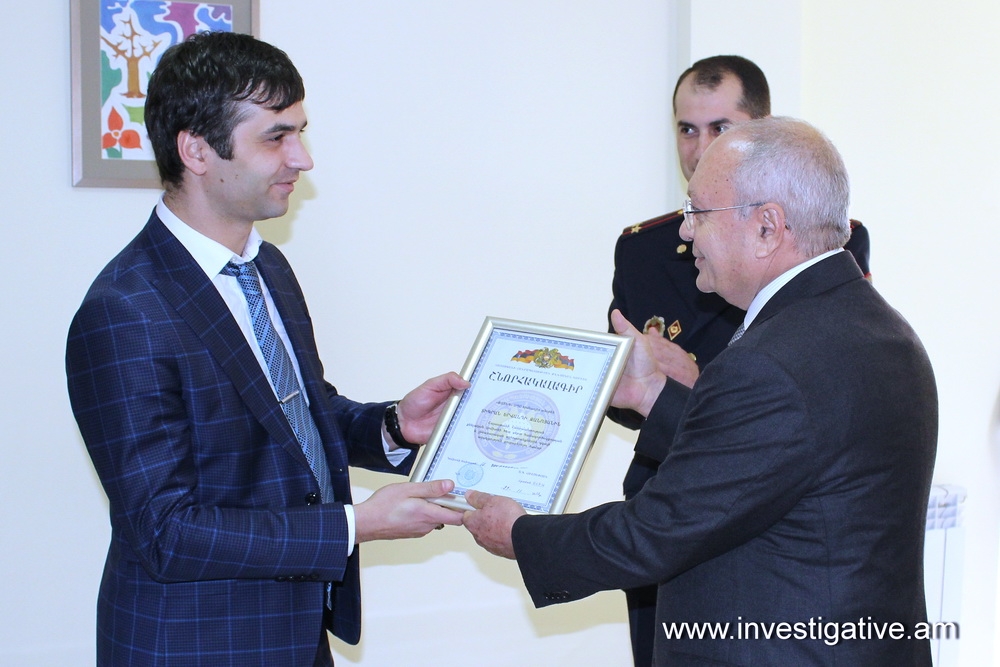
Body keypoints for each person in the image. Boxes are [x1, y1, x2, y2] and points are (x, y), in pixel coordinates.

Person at [464, 117, 937, 665]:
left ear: (767, 227)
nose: (685, 233)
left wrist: (522, 535)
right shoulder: (881, 329)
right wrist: (653, 395)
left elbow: (659, 530)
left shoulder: (770, 360)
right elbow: (764, 466)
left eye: (698, 212)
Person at [66, 32, 467, 667]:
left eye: (300, 133)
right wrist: (354, 524)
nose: (302, 159)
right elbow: (165, 531)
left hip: (295, 634)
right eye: (276, 137)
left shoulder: (267, 268)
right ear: (197, 150)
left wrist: (392, 426)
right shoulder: (125, 312)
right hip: (194, 646)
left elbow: (295, 416)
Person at [607, 55, 871, 665]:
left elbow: (820, 387)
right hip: (663, 493)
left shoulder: (820, 236)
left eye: (721, 128)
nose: (700, 147)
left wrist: (695, 384)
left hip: (772, 508)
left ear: (763, 130)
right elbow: (625, 399)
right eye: (687, 129)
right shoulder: (644, 249)